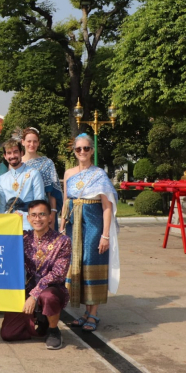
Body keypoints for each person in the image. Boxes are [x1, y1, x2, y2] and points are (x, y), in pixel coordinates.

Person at [62, 134, 120, 331]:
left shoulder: (99, 175)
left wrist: (105, 235)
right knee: (76, 264)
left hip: (93, 225)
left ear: (92, 151)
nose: (82, 152)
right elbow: (65, 202)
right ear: (75, 151)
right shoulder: (69, 174)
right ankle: (85, 312)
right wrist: (62, 227)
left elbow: (107, 207)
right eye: (78, 149)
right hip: (73, 225)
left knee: (91, 263)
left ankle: (93, 314)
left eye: (86, 148)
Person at [0, 200, 71, 350]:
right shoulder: (24, 238)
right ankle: (39, 321)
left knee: (48, 296)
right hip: (27, 288)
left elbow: (58, 273)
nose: (37, 219)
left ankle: (53, 330)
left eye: (42, 215)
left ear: (50, 217)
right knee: (8, 333)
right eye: (33, 215)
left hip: (52, 289)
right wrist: (10, 221)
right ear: (28, 218)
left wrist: (34, 295)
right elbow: (2, 242)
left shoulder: (63, 241)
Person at [0, 137, 45, 230]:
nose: (13, 156)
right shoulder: (2, 178)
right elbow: (2, 205)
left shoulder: (33, 173)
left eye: (15, 152)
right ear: (5, 156)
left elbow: (39, 201)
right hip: (8, 223)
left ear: (21, 153)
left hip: (29, 223)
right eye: (9, 153)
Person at [22, 127, 63, 230]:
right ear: (23, 142)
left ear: (38, 143)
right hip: (22, 211)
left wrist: (53, 214)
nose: (32, 144)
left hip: (42, 212)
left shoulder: (47, 163)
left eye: (35, 141)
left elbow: (52, 192)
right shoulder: (16, 164)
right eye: (29, 141)